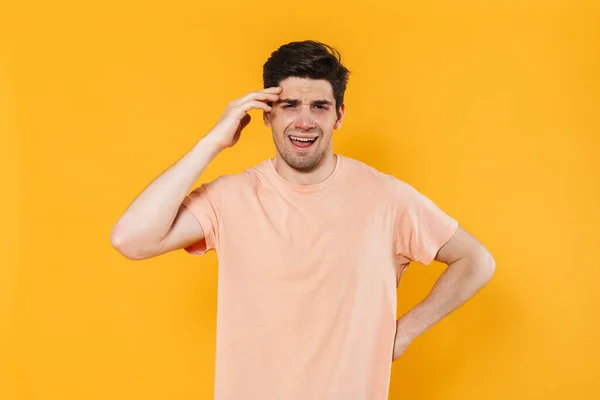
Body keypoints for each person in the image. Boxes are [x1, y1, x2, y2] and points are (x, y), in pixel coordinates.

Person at [110, 40, 495, 400]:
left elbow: (476, 260)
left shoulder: (386, 197)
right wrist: (213, 141)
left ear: (339, 115)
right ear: (266, 115)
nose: (305, 121)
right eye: (290, 104)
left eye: (320, 107)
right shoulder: (230, 198)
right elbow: (131, 239)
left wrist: (402, 335)